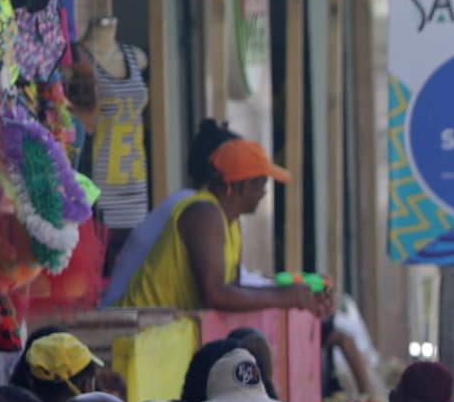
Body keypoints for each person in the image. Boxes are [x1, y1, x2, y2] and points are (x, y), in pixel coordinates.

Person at [107, 126, 326, 315]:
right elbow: (215, 294)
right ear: (244, 186)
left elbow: (235, 289)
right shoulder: (204, 214)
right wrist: (284, 298)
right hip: (134, 328)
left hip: (158, 329)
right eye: (262, 183)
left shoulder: (229, 221)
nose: (264, 192)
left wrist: (295, 295)